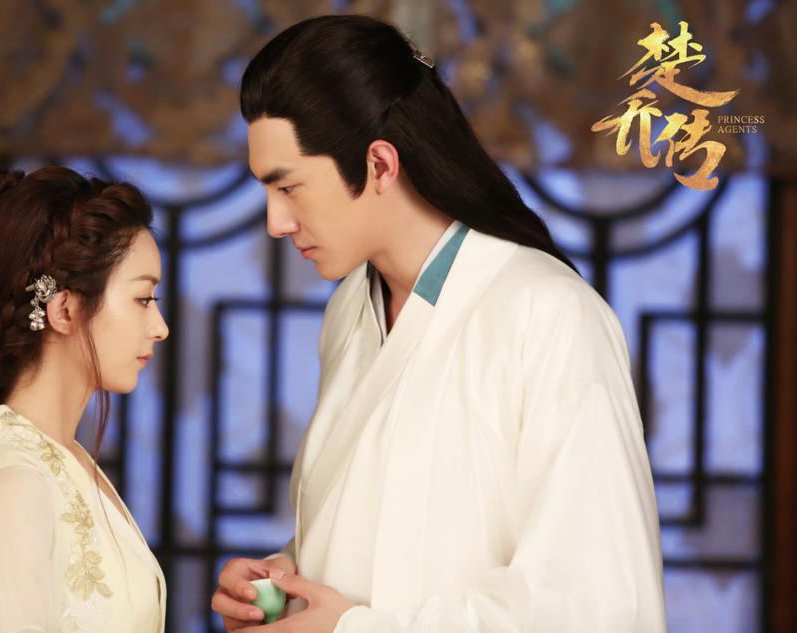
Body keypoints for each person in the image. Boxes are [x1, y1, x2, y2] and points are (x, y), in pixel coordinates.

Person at [211, 14, 666, 633]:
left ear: (379, 164)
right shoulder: (351, 310)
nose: (276, 222)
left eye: (289, 187)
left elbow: (595, 600)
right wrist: (282, 582)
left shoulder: (547, 313)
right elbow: (385, 538)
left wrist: (353, 629)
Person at [0, 166, 169, 632]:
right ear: (64, 309)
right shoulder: (15, 480)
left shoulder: (63, 458)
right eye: (144, 298)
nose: (160, 327)